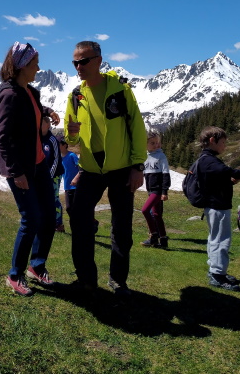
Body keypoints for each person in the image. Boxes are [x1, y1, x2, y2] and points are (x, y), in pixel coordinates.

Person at [62, 40, 148, 295]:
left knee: (122, 227)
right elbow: (71, 139)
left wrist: (138, 166)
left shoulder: (120, 90)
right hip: (89, 169)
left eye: (83, 61)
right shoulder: (75, 95)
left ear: (98, 60)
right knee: (79, 222)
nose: (78, 66)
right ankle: (86, 279)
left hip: (121, 168)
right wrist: (71, 132)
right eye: (75, 62)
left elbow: (137, 128)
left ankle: (118, 280)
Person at [0, 43, 59, 296]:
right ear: (22, 66)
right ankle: (15, 274)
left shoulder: (29, 91)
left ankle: (37, 265)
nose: (39, 68)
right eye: (34, 64)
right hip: (20, 167)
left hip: (38, 162)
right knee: (31, 218)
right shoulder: (9, 95)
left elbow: (30, 112)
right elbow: (3, 138)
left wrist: (47, 111)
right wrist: (15, 172)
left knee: (49, 216)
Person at [191, 126, 240, 290]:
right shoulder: (208, 160)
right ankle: (217, 275)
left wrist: (230, 180)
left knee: (215, 238)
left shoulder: (207, 159)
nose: (224, 146)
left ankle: (215, 270)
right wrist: (238, 172)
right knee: (221, 240)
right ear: (212, 141)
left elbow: (216, 179)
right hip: (217, 206)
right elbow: (223, 171)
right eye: (222, 142)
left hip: (216, 205)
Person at [139, 129, 170, 249]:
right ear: (145, 144)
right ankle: (162, 239)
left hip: (157, 191)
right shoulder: (145, 156)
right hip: (150, 190)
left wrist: (164, 191)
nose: (156, 145)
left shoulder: (161, 156)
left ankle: (153, 235)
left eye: (158, 142)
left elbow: (166, 174)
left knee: (145, 210)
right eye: (153, 143)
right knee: (156, 215)